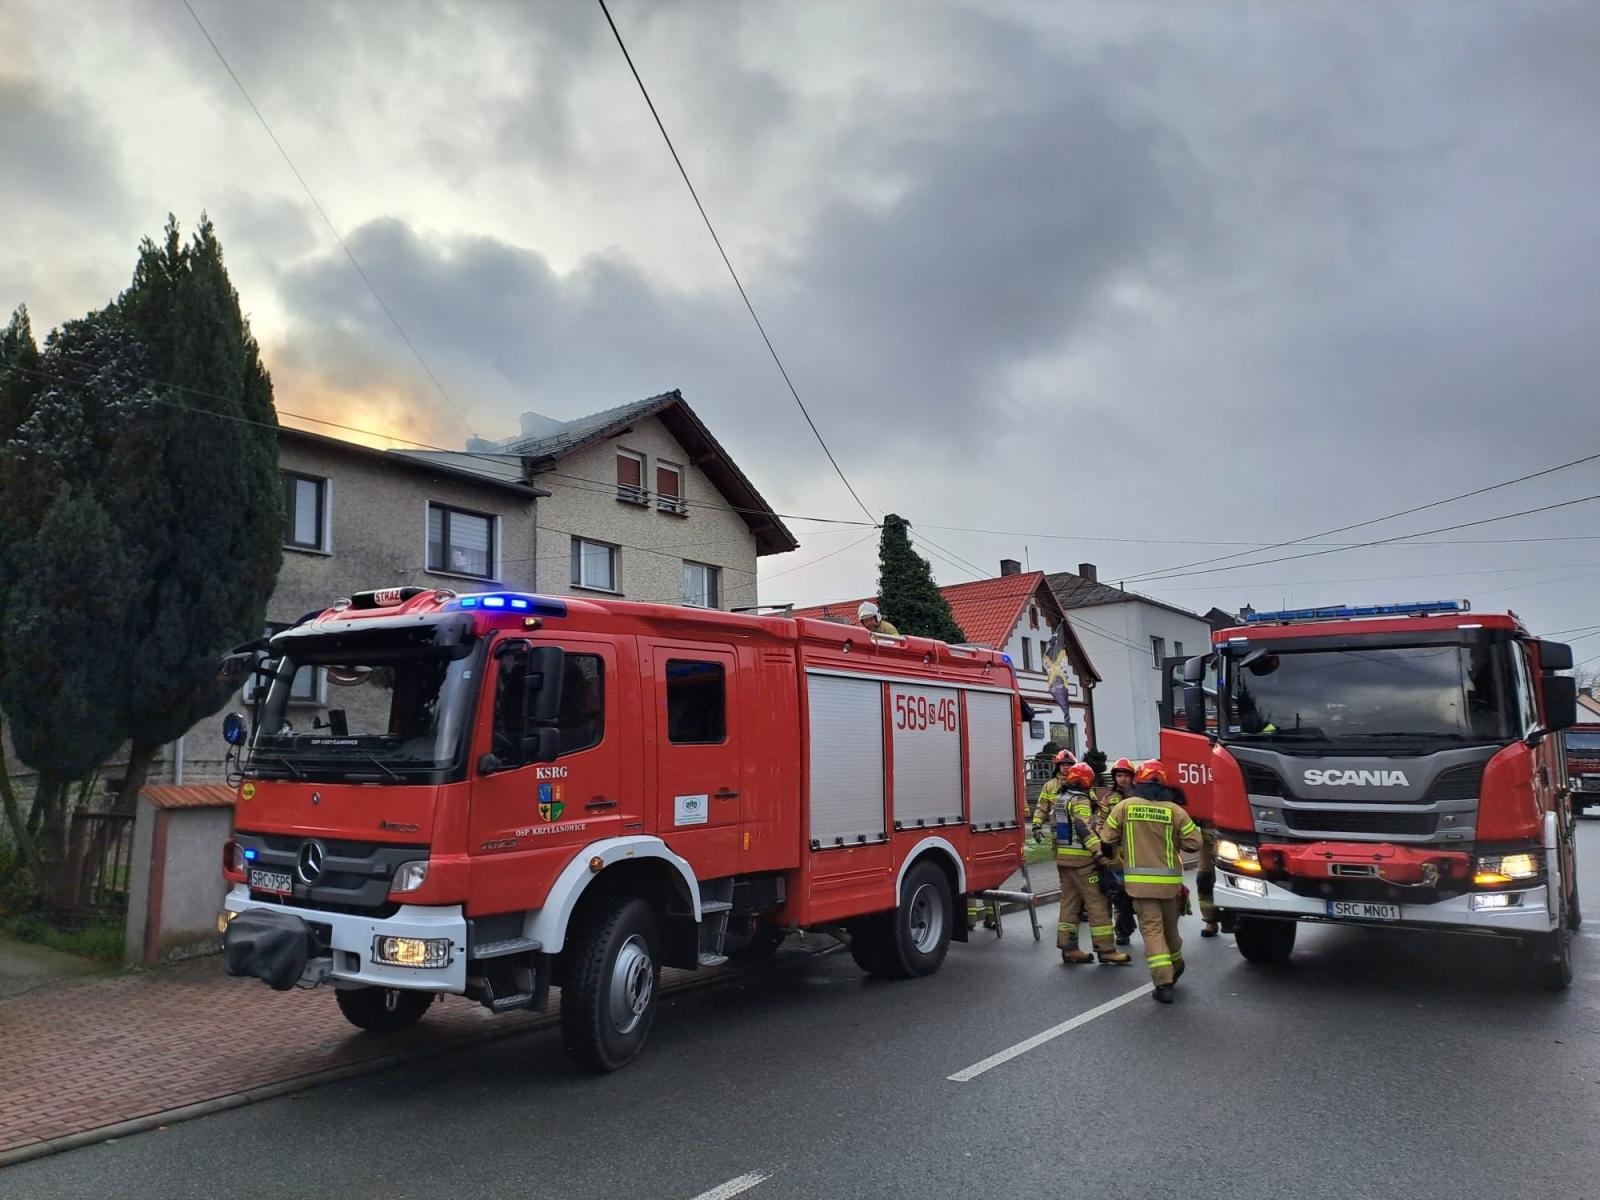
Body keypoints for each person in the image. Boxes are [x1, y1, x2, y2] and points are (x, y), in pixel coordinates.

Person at [1098, 760, 1202, 1004]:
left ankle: (1163, 982)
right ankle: (1176, 964)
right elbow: (1194, 843)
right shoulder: (1175, 810)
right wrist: (1174, 840)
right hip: (1170, 885)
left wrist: (1114, 861)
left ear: (1139, 781)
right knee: (1171, 930)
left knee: (1153, 932)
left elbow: (1106, 838)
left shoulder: (1125, 807)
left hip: (1139, 886)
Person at [1033, 755, 1131, 966]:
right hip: (1083, 863)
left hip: (1064, 859)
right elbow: (1083, 827)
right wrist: (1099, 854)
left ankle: (1069, 948)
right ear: (1086, 780)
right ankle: (1106, 950)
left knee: (1069, 903)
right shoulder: (1080, 800)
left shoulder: (1060, 798)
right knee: (1098, 903)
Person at [1094, 757, 1139, 946]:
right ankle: (1122, 931)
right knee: (1119, 895)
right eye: (1119, 776)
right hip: (1117, 854)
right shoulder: (1108, 799)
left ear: (1132, 777)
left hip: (1138, 852)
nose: (1122, 779)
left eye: (1126, 775)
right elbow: (1100, 824)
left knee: (1139, 892)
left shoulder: (1139, 798)